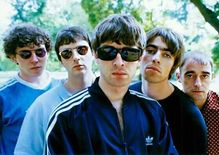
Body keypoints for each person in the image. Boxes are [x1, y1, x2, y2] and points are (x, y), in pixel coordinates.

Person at [45, 14, 178, 155]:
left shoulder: (153, 111)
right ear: (95, 54)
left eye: (129, 53)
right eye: (109, 52)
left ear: (139, 58)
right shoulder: (66, 117)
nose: (119, 62)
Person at [14, 26, 95, 155]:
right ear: (61, 60)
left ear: (94, 53)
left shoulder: (114, 96)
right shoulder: (42, 105)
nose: (76, 57)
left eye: (82, 50)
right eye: (67, 53)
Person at [130, 27, 207, 155]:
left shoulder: (189, 115)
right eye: (150, 50)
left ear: (174, 65)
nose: (156, 58)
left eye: (166, 55)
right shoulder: (123, 96)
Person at [0, 23, 59, 155]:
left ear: (47, 52)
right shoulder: (3, 96)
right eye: (25, 54)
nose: (34, 59)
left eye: (40, 52)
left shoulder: (62, 88)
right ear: (13, 57)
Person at [178, 51, 219, 155]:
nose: (198, 84)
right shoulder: (166, 109)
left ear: (212, 77)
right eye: (190, 75)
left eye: (204, 76)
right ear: (179, 77)